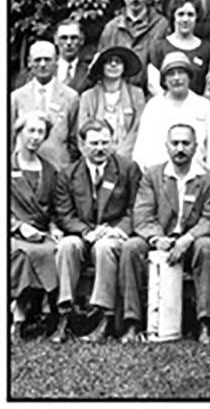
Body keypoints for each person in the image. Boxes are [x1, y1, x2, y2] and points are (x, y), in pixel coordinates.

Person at [118, 124, 210, 345]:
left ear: (195, 147)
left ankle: (205, 323)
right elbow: (142, 214)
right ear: (166, 146)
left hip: (191, 239)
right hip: (160, 237)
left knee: (207, 247)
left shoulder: (209, 179)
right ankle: (132, 322)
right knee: (131, 247)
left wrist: (187, 239)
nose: (180, 149)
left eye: (186, 143)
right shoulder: (153, 175)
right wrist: (156, 238)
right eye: (175, 143)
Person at [51, 119, 142, 343]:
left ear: (113, 142)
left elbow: (136, 208)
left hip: (113, 236)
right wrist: (86, 232)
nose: (100, 148)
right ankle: (65, 315)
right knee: (66, 245)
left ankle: (105, 319)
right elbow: (64, 214)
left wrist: (117, 230)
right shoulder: (68, 174)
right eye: (94, 143)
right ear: (82, 146)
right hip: (84, 235)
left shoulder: (128, 169)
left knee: (104, 247)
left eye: (105, 142)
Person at [10, 112, 62, 343]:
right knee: (23, 253)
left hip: (41, 233)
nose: (35, 137)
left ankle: (45, 313)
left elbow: (54, 209)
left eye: (41, 132)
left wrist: (53, 227)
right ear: (19, 133)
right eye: (31, 131)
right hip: (12, 232)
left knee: (54, 250)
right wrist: (19, 226)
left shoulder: (50, 170)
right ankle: (19, 317)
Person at [134, 52, 210, 173]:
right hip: (159, 178)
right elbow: (141, 148)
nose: (176, 78)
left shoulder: (204, 106)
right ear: (164, 80)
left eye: (181, 72)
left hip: (195, 177)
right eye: (171, 74)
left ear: (189, 76)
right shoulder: (153, 107)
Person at [11, 40, 79, 170]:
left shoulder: (71, 97)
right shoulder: (17, 97)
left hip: (59, 169)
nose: (42, 64)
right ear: (29, 62)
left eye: (47, 59)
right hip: (24, 170)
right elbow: (10, 138)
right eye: (37, 60)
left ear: (56, 61)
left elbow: (74, 140)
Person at [98, 0, 169, 91]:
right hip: (118, 96)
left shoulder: (162, 26)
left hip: (151, 96)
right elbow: (102, 68)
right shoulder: (111, 28)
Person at [78, 46, 146, 159]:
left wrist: (122, 153)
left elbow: (138, 127)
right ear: (101, 67)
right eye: (108, 62)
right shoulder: (88, 96)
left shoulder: (136, 94)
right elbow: (82, 130)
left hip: (130, 156)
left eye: (118, 62)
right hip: (96, 155)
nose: (113, 65)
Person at [146, 0, 210, 98]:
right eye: (181, 14)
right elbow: (153, 83)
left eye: (190, 14)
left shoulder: (207, 49)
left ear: (197, 17)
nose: (185, 19)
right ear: (173, 16)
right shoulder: (159, 46)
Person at [52, 19, 94, 92]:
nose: (69, 42)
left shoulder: (89, 71)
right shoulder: (47, 68)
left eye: (74, 38)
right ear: (55, 40)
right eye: (63, 38)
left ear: (82, 40)